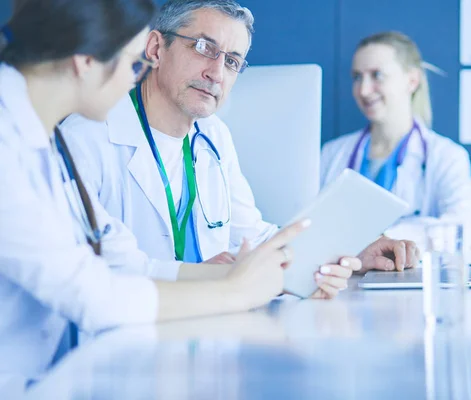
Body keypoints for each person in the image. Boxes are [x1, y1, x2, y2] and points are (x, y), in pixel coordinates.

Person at [0, 0, 357, 386]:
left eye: (233, 61)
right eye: (133, 62)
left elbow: (122, 259)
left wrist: (241, 276)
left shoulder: (40, 136)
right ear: (86, 60)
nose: (133, 78)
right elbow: (90, 293)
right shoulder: (20, 144)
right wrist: (234, 292)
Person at [60, 0, 420, 274]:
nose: (217, 73)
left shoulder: (213, 135)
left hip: (208, 325)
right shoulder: (86, 139)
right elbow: (87, 271)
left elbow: (254, 238)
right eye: (203, 47)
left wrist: (353, 250)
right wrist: (202, 279)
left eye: (232, 61)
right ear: (156, 49)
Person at [321, 31, 471, 248]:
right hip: (344, 278)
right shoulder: (333, 153)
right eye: (357, 77)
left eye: (377, 75)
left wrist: (384, 238)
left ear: (411, 80)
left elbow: (462, 227)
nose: (364, 90)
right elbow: (309, 225)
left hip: (411, 277)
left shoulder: (445, 156)